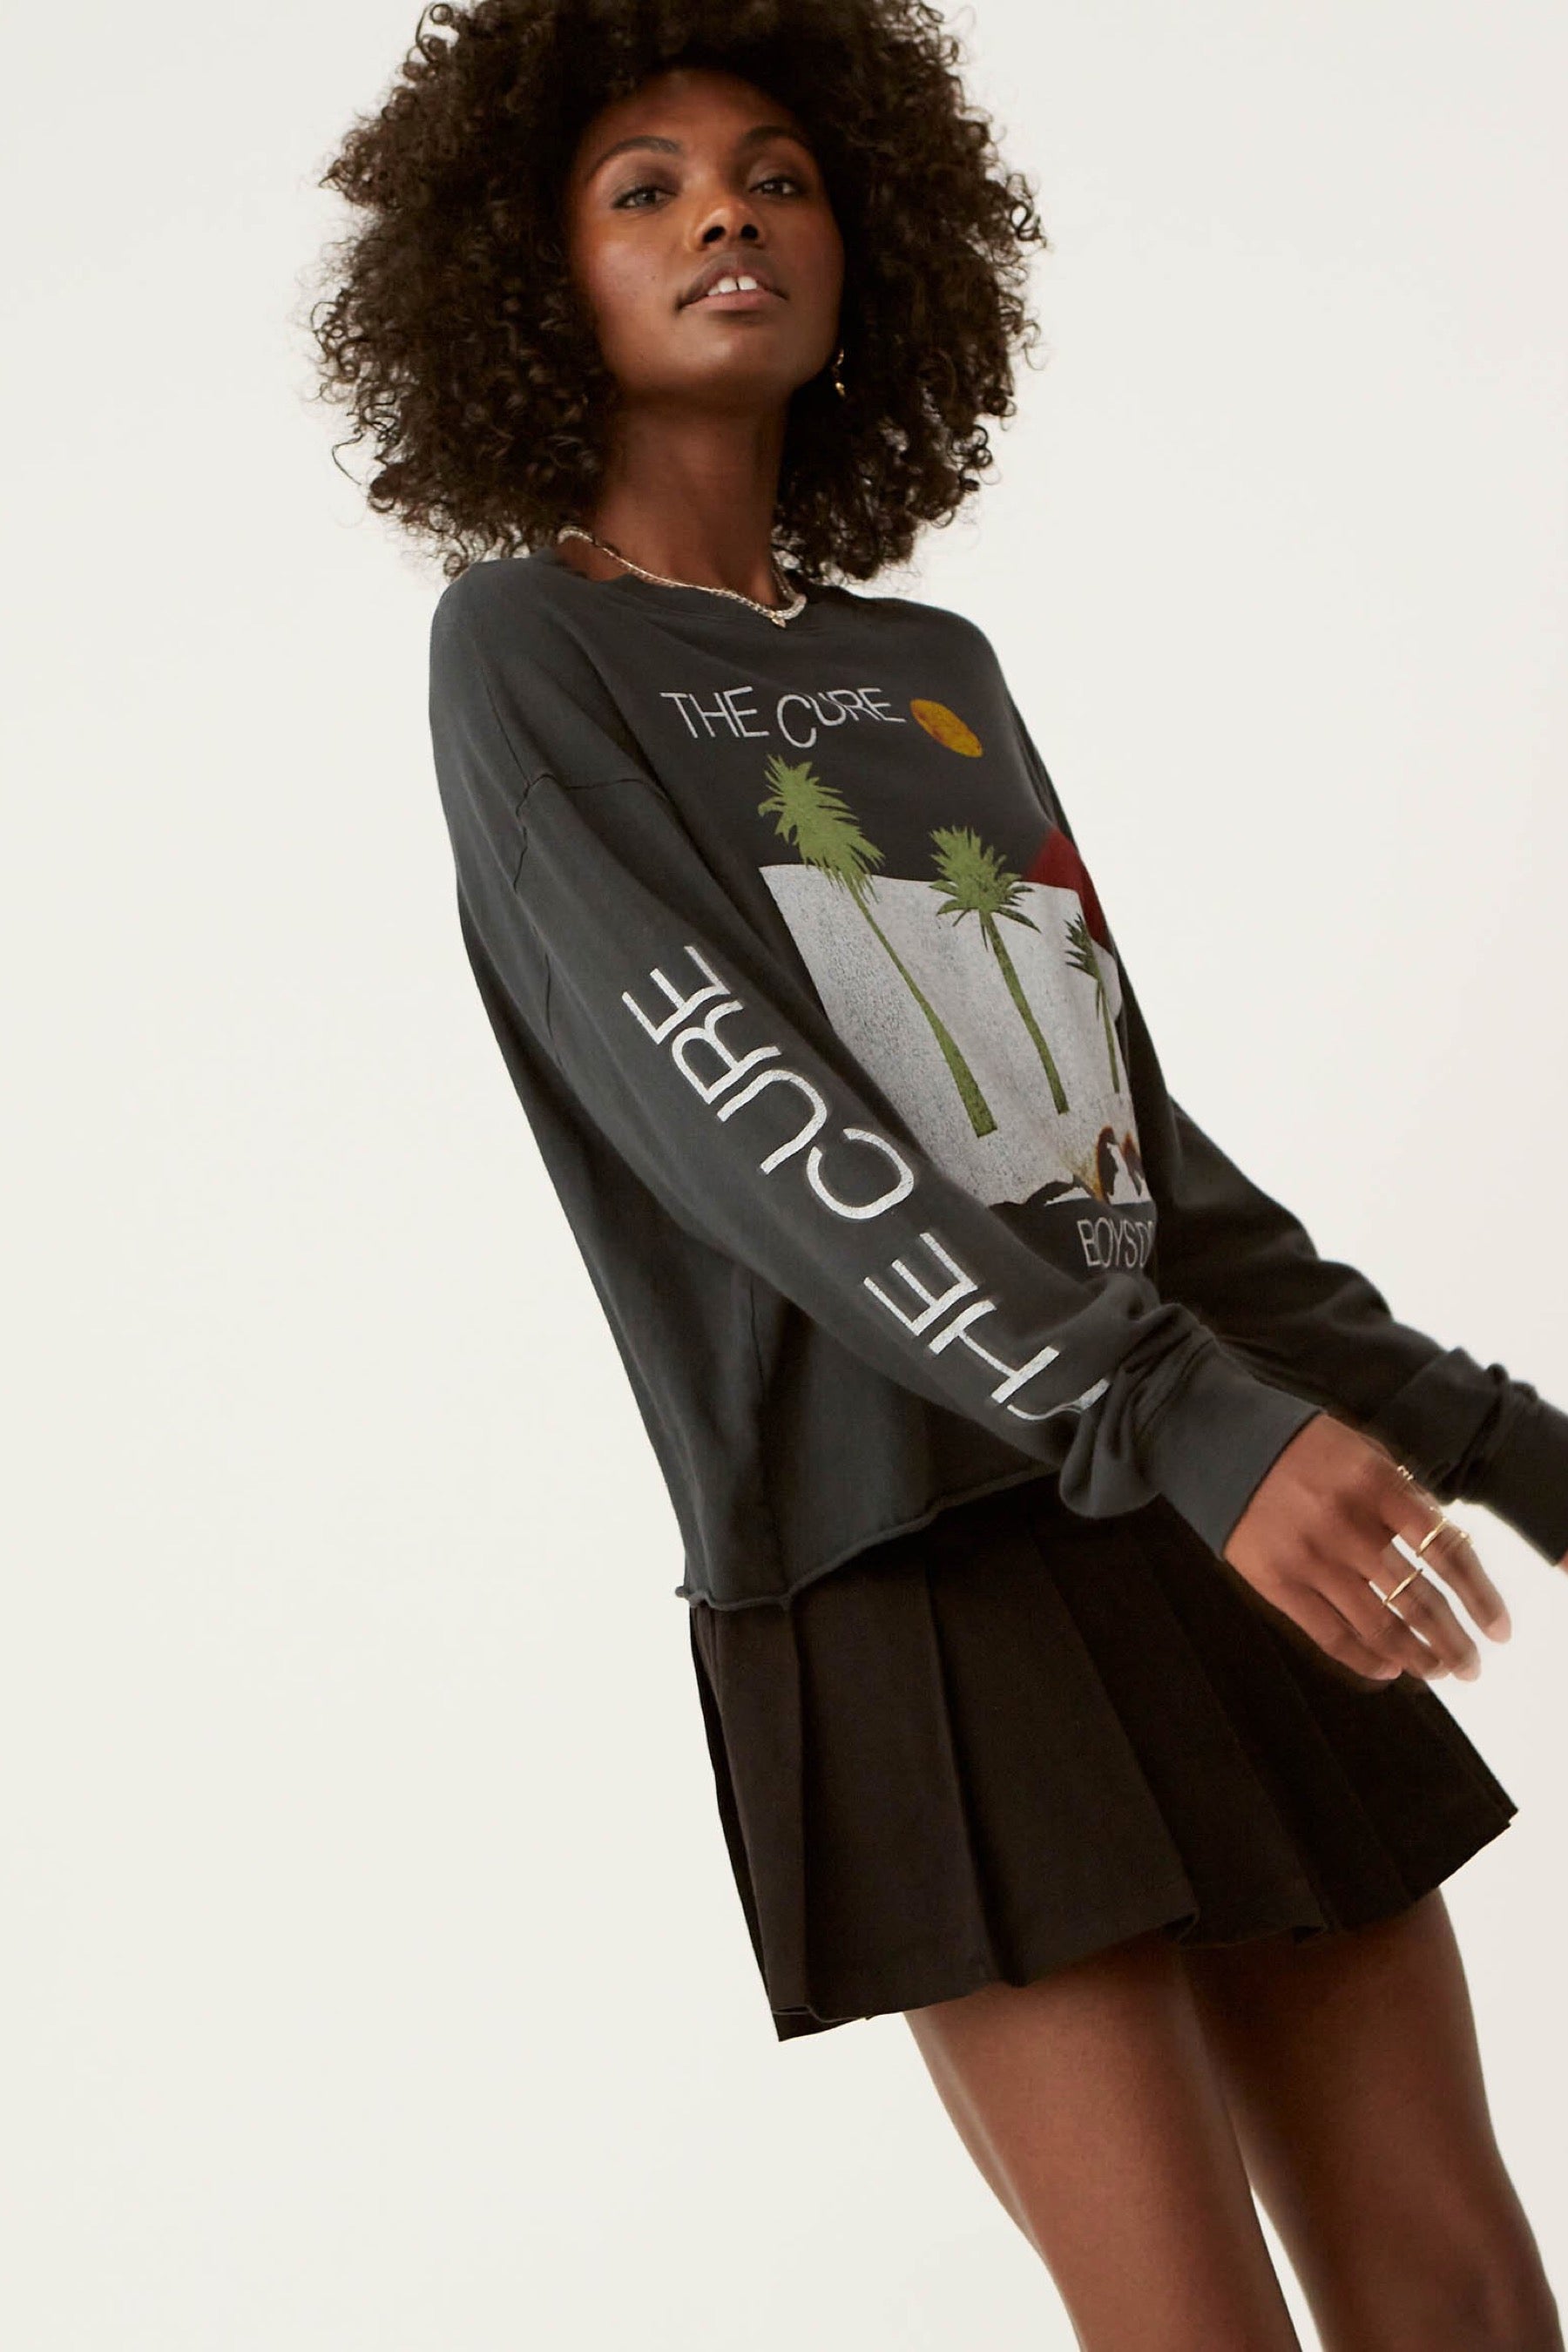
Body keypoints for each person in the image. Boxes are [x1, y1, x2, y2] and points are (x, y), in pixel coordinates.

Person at [308, 4, 1565, 2343]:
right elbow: (744, 1117)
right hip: (902, 1567)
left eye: (778, 174)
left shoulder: (933, 668)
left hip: (1182, 1502)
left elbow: (1120, 1151)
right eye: (646, 186)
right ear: (527, 277)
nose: (726, 213)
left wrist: (1497, 1440)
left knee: (1469, 2297)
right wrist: (1171, 1410)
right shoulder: (529, 652)